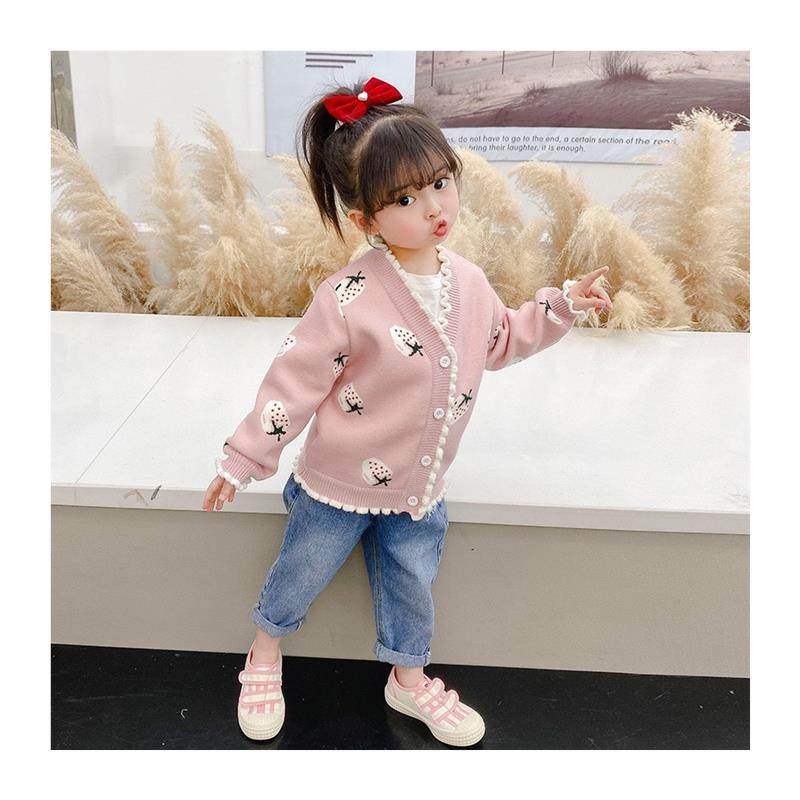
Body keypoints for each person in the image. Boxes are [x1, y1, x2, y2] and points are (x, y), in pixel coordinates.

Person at [202, 76, 613, 747]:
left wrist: (561, 305)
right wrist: (244, 458)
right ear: (365, 220)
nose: (433, 207)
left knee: (412, 584)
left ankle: (409, 676)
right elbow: (295, 381)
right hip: (337, 485)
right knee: (301, 572)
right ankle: (265, 650)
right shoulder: (347, 296)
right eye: (404, 198)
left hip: (419, 488)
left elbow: (500, 340)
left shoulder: (469, 283)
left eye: (441, 183)